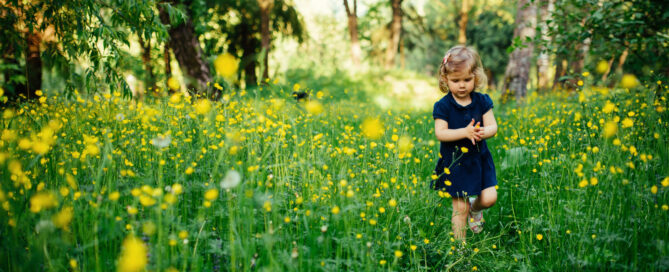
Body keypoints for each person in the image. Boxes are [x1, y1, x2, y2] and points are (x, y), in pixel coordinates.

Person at [431, 45, 498, 242]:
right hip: (455, 164)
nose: (462, 85)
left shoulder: (482, 101)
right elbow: (440, 133)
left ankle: (475, 210)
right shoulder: (443, 106)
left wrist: (483, 132)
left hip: (479, 160)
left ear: (476, 77)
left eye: (467, 80)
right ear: (445, 80)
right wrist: (465, 132)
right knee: (459, 208)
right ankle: (460, 250)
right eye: (456, 80)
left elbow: (493, 127)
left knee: (489, 198)